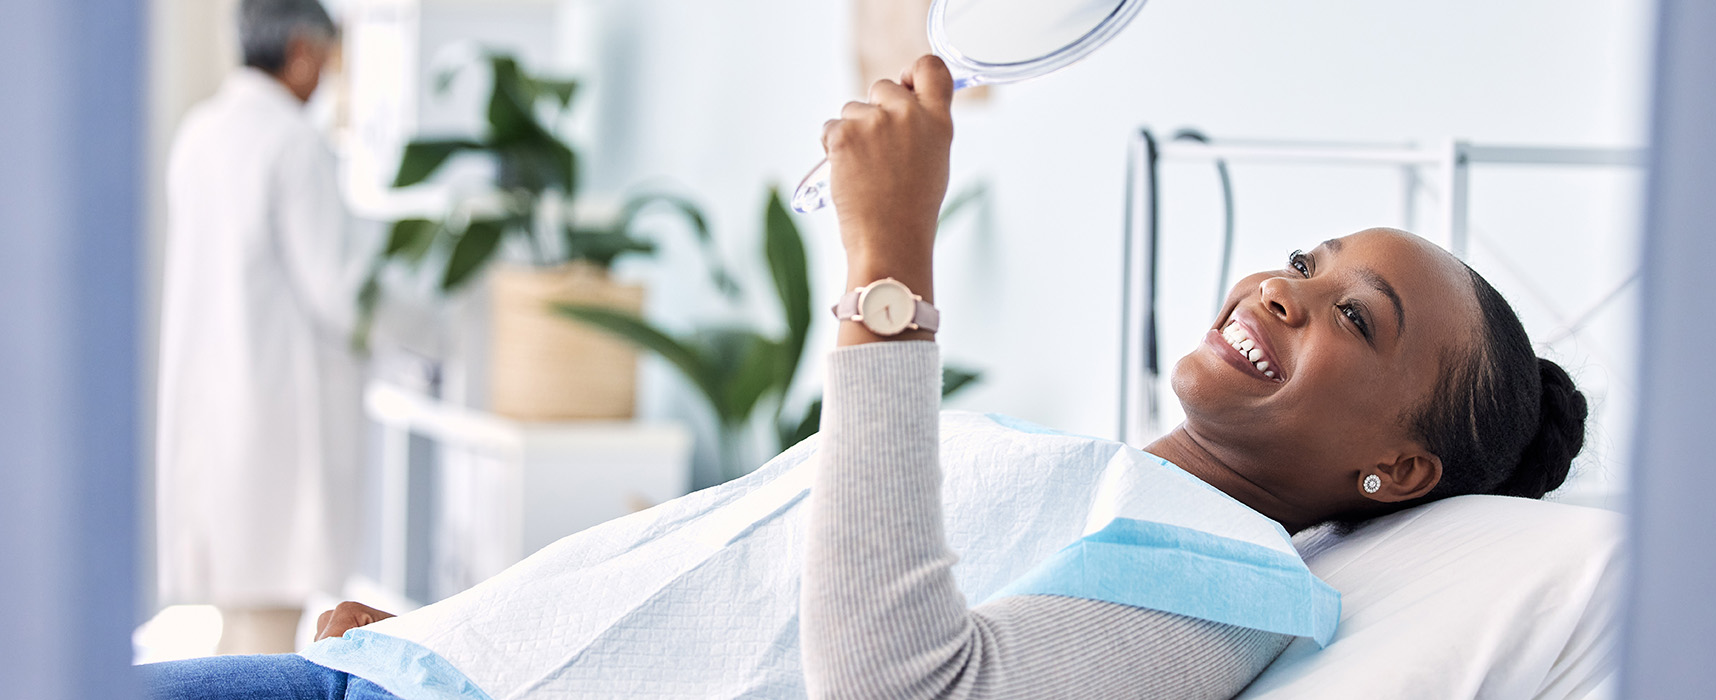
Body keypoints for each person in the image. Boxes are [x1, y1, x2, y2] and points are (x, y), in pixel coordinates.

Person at [140, 55, 1587, 699]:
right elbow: (743, 596)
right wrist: (477, 629)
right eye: (1305, 255)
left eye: (1358, 314)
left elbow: (891, 694)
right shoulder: (1086, 478)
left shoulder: (1234, 583)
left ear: (1396, 471)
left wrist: (888, 264)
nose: (1287, 285)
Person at [156, 0, 367, 655]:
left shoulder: (201, 131)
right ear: (302, 51)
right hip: (272, 417)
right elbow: (337, 289)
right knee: (269, 637)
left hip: (210, 406)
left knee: (239, 629)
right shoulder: (293, 143)